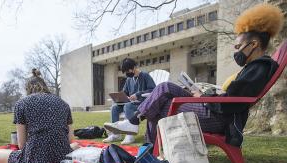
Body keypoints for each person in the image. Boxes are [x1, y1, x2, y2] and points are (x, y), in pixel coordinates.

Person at [104, 3, 283, 145]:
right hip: (214, 109)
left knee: (159, 107)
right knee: (165, 87)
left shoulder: (259, 68)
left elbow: (230, 104)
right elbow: (232, 97)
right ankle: (136, 126)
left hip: (219, 118)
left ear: (253, 45)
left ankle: (144, 142)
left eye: (238, 47)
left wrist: (204, 96)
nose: (236, 51)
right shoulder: (255, 67)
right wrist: (201, 94)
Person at [0, 69, 73, 163]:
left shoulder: (22, 103)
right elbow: (70, 139)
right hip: (63, 159)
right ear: (45, 86)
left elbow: (22, 145)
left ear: (28, 88)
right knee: (75, 146)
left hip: (35, 161)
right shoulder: (63, 103)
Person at [103, 58, 156, 145]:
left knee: (128, 106)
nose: (127, 73)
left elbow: (153, 90)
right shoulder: (128, 80)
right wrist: (119, 97)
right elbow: (125, 92)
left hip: (142, 104)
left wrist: (137, 94)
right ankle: (116, 135)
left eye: (129, 70)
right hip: (130, 103)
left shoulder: (145, 76)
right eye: (126, 71)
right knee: (114, 108)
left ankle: (130, 135)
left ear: (134, 67)